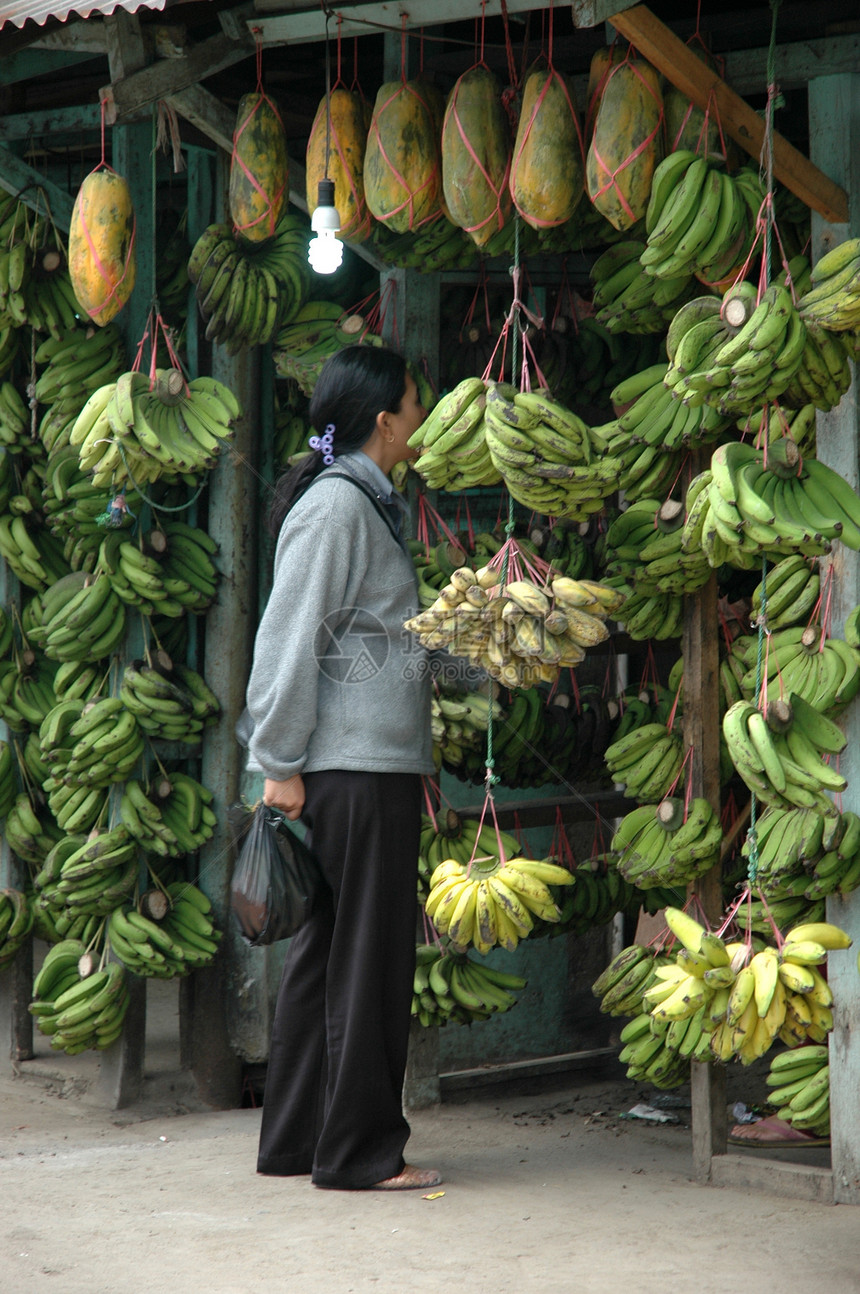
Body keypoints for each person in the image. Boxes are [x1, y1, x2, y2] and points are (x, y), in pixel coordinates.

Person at [244, 344, 443, 1191]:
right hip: (353, 773)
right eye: (413, 401)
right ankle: (360, 1153)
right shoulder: (337, 510)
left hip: (362, 766)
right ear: (384, 419)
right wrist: (277, 760)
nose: (422, 415)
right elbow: (287, 638)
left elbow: (363, 641)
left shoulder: (365, 506)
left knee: (326, 958)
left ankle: (297, 1142)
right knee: (369, 960)